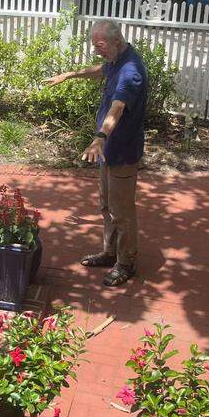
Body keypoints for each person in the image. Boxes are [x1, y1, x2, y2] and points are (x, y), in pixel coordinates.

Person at [44, 20, 147, 286]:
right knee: (106, 206)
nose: (97, 50)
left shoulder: (131, 71)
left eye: (100, 45)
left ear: (115, 41)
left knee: (122, 212)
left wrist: (100, 137)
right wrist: (69, 75)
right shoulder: (116, 60)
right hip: (108, 151)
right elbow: (100, 70)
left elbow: (118, 108)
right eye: (94, 45)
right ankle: (110, 252)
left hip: (121, 151)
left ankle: (126, 263)